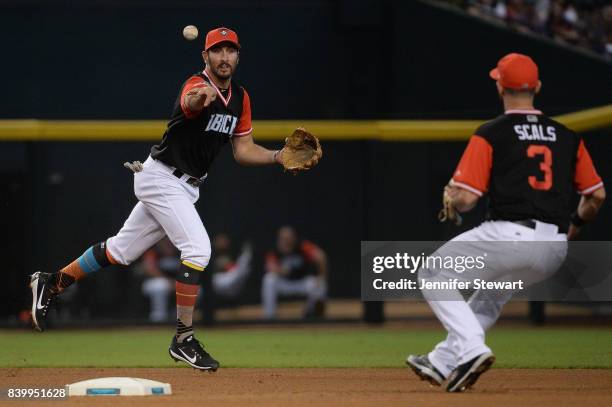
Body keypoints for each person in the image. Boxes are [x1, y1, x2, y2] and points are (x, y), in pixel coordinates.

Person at [29, 27, 318, 372]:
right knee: (198, 249)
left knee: (121, 251)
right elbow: (190, 100)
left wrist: (276, 157)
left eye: (231, 51)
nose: (224, 57)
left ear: (238, 56)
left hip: (184, 186)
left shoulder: (241, 97)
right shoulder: (195, 84)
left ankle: (52, 282)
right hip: (162, 177)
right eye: (217, 51)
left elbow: (242, 150)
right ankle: (183, 338)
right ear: (205, 57)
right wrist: (200, 98)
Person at [406, 53, 605, 392]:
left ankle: (472, 349)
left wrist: (453, 197)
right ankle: (441, 362)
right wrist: (574, 224)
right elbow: (596, 195)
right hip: (553, 247)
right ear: (537, 87)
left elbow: (468, 199)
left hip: (509, 236)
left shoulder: (492, 132)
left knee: (433, 273)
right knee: (490, 297)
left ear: (500, 86)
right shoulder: (568, 136)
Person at [262, 226, 327, 319]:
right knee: (269, 279)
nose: (286, 241)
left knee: (321, 284)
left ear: (294, 238)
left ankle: (310, 313)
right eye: (283, 238)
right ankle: (270, 316)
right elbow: (269, 266)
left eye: (289, 238)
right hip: (285, 284)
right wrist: (281, 270)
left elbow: (321, 256)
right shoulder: (275, 250)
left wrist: (321, 276)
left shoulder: (302, 246)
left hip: (302, 282)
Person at [139, 238, 180, 322]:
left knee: (195, 289)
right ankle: (159, 317)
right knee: (161, 285)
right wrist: (169, 281)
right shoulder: (153, 251)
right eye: (165, 242)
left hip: (175, 283)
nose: (168, 244)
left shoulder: (180, 252)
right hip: (151, 283)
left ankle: (179, 316)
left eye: (170, 242)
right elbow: (149, 269)